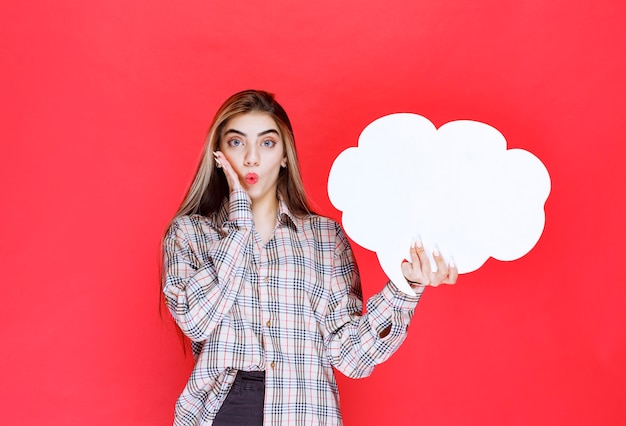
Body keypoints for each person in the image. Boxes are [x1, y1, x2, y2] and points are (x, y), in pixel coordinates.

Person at [161, 89, 458, 425]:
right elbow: (196, 322)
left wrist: (405, 287)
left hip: (304, 409)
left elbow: (351, 357)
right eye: (237, 142)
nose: (251, 158)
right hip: (223, 409)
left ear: (285, 156)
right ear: (219, 154)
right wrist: (241, 218)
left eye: (267, 143)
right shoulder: (189, 234)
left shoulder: (324, 238)